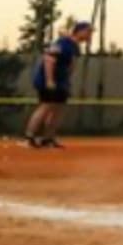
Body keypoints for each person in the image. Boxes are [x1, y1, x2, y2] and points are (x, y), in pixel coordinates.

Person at [23, 21, 92, 149]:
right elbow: (49, 60)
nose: (90, 35)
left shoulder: (74, 47)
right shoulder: (63, 43)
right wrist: (50, 80)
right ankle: (29, 138)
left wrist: (66, 81)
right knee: (46, 106)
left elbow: (71, 66)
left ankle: (48, 139)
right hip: (49, 80)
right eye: (88, 32)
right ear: (79, 31)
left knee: (58, 109)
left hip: (61, 82)